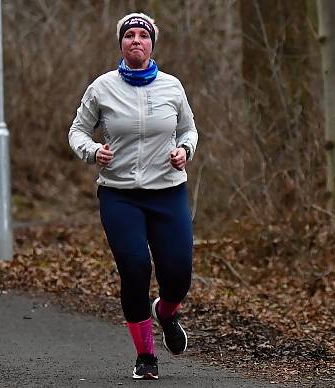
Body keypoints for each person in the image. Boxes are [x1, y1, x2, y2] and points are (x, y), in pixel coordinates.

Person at [67, 12, 198, 380]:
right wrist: (93, 151)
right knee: (135, 268)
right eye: (129, 36)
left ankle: (167, 312)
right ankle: (146, 356)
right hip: (120, 195)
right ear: (121, 44)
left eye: (143, 35)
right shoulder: (102, 87)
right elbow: (77, 130)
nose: (136, 41)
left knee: (178, 276)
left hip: (168, 192)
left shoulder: (172, 87)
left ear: (152, 44)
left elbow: (189, 129)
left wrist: (185, 150)